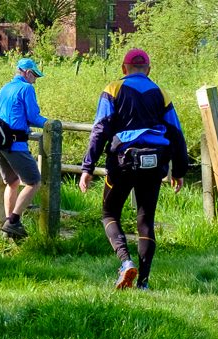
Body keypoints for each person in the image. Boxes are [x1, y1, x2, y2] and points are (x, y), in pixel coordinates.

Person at [78, 49, 191, 290]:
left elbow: (100, 129)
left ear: (123, 68)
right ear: (148, 70)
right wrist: (179, 170)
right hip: (154, 164)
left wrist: (88, 166)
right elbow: (176, 134)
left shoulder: (113, 89)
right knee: (146, 220)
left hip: (122, 163)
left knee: (109, 214)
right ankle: (144, 282)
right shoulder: (161, 93)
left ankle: (125, 262)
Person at [0, 58, 49, 239]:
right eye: (35, 75)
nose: (36, 80)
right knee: (34, 182)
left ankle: (9, 224)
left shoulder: (5, 87)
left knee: (12, 183)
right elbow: (33, 116)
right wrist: (51, 124)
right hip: (15, 144)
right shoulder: (26, 89)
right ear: (27, 73)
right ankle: (14, 221)